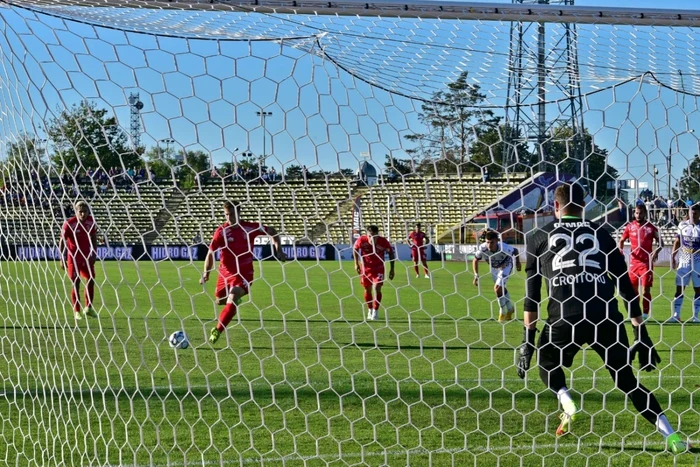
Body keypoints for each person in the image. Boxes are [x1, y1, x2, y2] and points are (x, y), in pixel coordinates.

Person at [518, 183, 688, 453]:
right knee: (627, 381)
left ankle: (567, 400)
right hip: (605, 318)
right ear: (584, 207)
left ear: (556, 206)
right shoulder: (603, 234)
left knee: (548, 362)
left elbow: (531, 298)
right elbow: (624, 286)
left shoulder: (538, 237)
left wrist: (527, 341)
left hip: (564, 316)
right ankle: (672, 436)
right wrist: (640, 334)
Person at [200, 201, 286, 344]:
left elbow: (272, 231)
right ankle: (232, 303)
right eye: (227, 215)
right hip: (225, 273)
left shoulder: (249, 228)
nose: (229, 218)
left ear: (239, 213)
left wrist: (279, 250)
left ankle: (217, 330)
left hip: (244, 273)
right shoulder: (221, 231)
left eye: (232, 214)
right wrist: (206, 272)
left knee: (232, 299)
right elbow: (210, 252)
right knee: (220, 301)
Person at [618, 203, 663, 320]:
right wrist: (620, 252)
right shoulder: (629, 227)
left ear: (645, 213)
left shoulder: (651, 227)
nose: (638, 215)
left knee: (645, 290)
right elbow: (621, 240)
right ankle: (635, 314)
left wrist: (656, 251)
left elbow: (661, 243)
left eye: (640, 213)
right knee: (633, 291)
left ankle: (645, 314)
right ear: (634, 213)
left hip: (646, 263)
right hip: (633, 263)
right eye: (636, 213)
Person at [58, 201, 98, 320]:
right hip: (73, 258)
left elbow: (94, 238)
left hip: (86, 258)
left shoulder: (91, 222)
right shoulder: (69, 224)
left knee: (91, 280)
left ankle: (89, 308)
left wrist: (94, 254)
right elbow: (61, 241)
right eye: (80, 212)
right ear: (76, 212)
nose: (83, 214)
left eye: (85, 211)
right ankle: (77, 311)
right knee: (76, 283)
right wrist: (62, 258)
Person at [472, 230, 521, 322]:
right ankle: (510, 309)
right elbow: (475, 260)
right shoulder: (482, 248)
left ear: (497, 241)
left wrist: (518, 263)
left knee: (497, 288)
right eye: (487, 242)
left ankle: (502, 311)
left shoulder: (504, 247)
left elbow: (515, 251)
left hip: (506, 266)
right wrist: (476, 275)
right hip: (494, 268)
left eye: (492, 242)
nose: (489, 245)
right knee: (501, 289)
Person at [353, 225, 395, 321]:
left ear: (377, 235)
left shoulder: (383, 242)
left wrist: (392, 269)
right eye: (369, 236)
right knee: (367, 289)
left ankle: (376, 310)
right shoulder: (361, 240)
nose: (371, 238)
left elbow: (391, 253)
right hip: (365, 268)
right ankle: (370, 309)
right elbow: (355, 249)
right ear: (367, 235)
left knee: (376, 288)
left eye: (374, 236)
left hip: (378, 268)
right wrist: (356, 264)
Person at [670, 204, 700, 323]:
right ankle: (676, 315)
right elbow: (677, 241)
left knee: (698, 289)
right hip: (684, 261)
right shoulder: (682, 225)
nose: (693, 214)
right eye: (691, 212)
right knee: (679, 288)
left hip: (698, 262)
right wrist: (673, 255)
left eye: (695, 212)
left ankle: (696, 316)